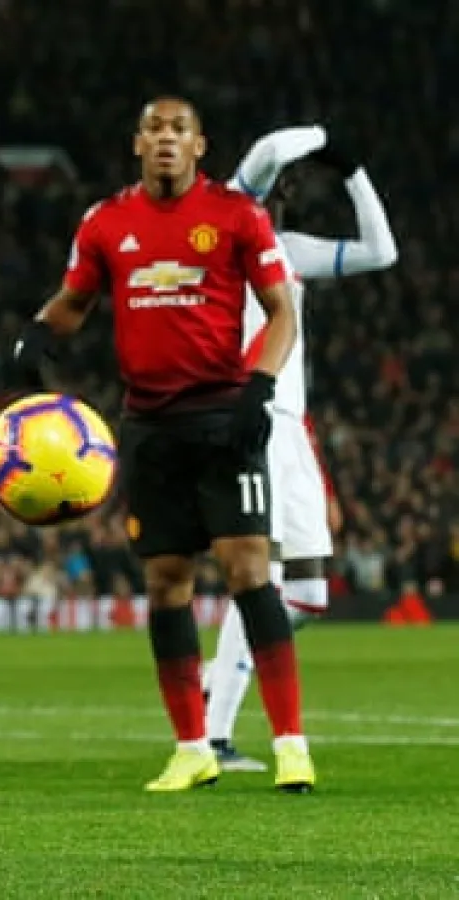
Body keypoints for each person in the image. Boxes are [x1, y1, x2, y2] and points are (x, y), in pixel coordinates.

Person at [13, 97, 315, 794]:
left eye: (179, 130)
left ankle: (291, 743)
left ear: (200, 145)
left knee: (250, 574)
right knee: (165, 583)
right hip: (149, 427)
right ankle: (191, 747)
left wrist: (257, 388)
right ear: (138, 143)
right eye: (154, 129)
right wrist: (38, 333)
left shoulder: (237, 216)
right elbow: (73, 301)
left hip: (224, 420)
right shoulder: (106, 223)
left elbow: (281, 313)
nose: (166, 140)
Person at [202, 125, 398, 770]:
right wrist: (321, 136)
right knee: (268, 576)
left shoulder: (289, 251)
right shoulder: (229, 229)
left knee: (308, 594)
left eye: (292, 183)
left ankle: (220, 675)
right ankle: (215, 732)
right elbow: (257, 160)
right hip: (250, 415)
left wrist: (353, 170)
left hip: (294, 427)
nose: (283, 188)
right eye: (280, 181)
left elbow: (381, 251)